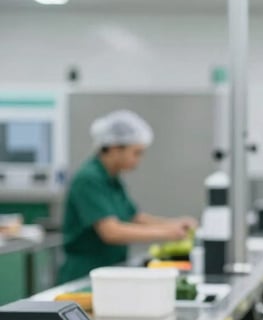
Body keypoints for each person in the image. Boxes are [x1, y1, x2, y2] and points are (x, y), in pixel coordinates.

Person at [58, 110, 196, 283]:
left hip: (109, 269)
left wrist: (174, 224)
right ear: (115, 148)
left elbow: (134, 217)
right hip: (85, 273)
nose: (139, 160)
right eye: (136, 153)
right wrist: (167, 233)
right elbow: (111, 232)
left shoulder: (112, 178)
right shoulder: (88, 179)